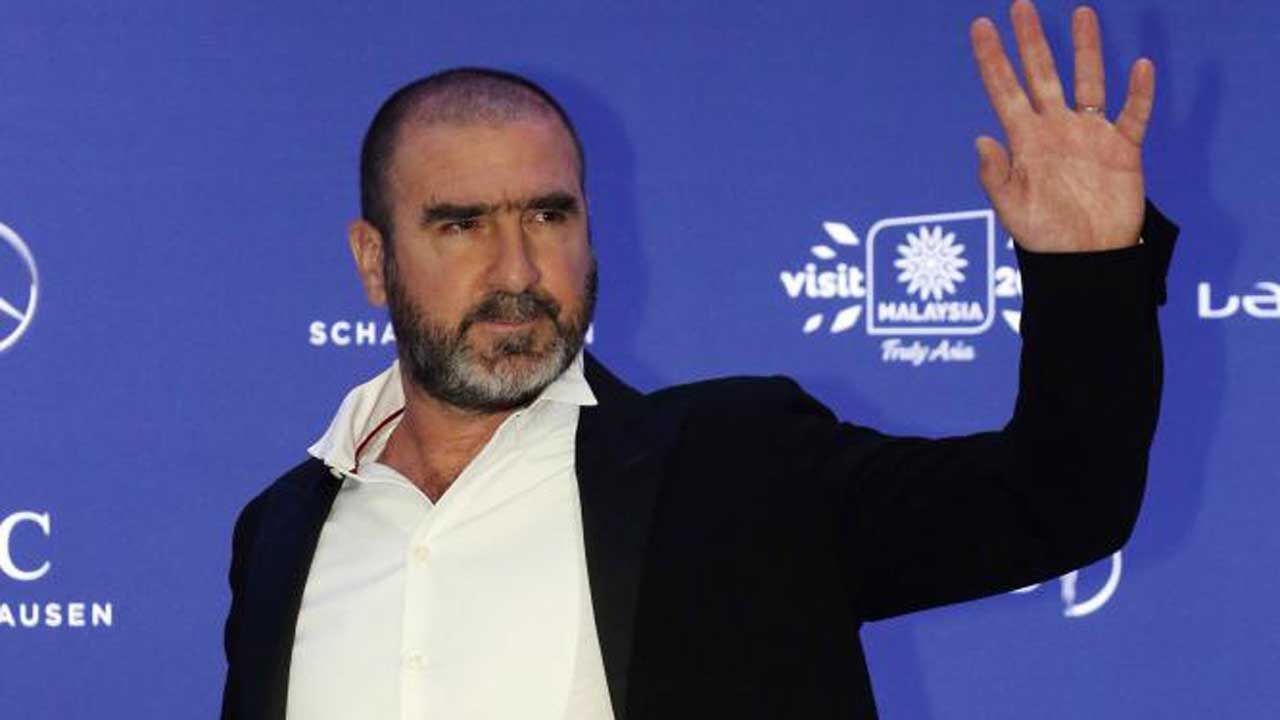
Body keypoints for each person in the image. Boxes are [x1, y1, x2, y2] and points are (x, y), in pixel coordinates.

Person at [220, 2, 1177, 718]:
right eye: (461, 225)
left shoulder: (737, 468)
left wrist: (1088, 271)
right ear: (373, 261)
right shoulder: (280, 535)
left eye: (549, 215)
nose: (517, 270)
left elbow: (1058, 501)